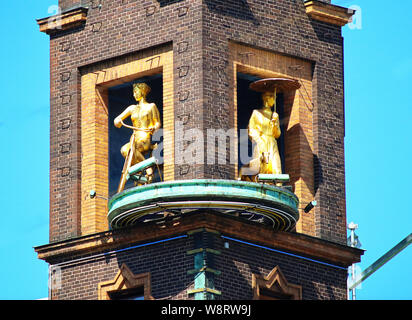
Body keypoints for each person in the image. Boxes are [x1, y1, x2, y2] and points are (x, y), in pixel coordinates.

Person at [114, 83, 161, 186]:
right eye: (133, 92)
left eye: (135, 92)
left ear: (142, 91)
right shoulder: (132, 108)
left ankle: (141, 173)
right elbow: (117, 119)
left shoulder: (151, 106)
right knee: (124, 150)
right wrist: (118, 121)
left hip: (145, 137)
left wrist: (153, 127)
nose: (134, 94)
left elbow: (157, 123)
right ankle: (147, 167)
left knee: (132, 150)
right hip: (134, 138)